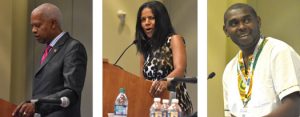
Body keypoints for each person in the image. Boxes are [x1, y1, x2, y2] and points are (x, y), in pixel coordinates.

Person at [222, 3, 300, 117]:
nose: (241, 27)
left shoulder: (278, 51)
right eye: (234, 23)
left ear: (258, 22)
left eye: (247, 20)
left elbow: (295, 106)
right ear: (226, 31)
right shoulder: (229, 69)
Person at [12, 3, 87, 117]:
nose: (33, 30)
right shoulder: (49, 49)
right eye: (32, 26)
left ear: (53, 23)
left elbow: (71, 92)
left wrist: (37, 105)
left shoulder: (73, 48)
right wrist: (30, 104)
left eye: (37, 25)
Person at [135, 1, 193, 115]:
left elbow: (180, 69)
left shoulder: (174, 40)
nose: (147, 23)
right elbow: (142, 80)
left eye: (151, 18)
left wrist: (165, 82)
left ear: (161, 20)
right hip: (153, 106)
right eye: (143, 19)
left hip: (175, 105)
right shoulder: (145, 48)